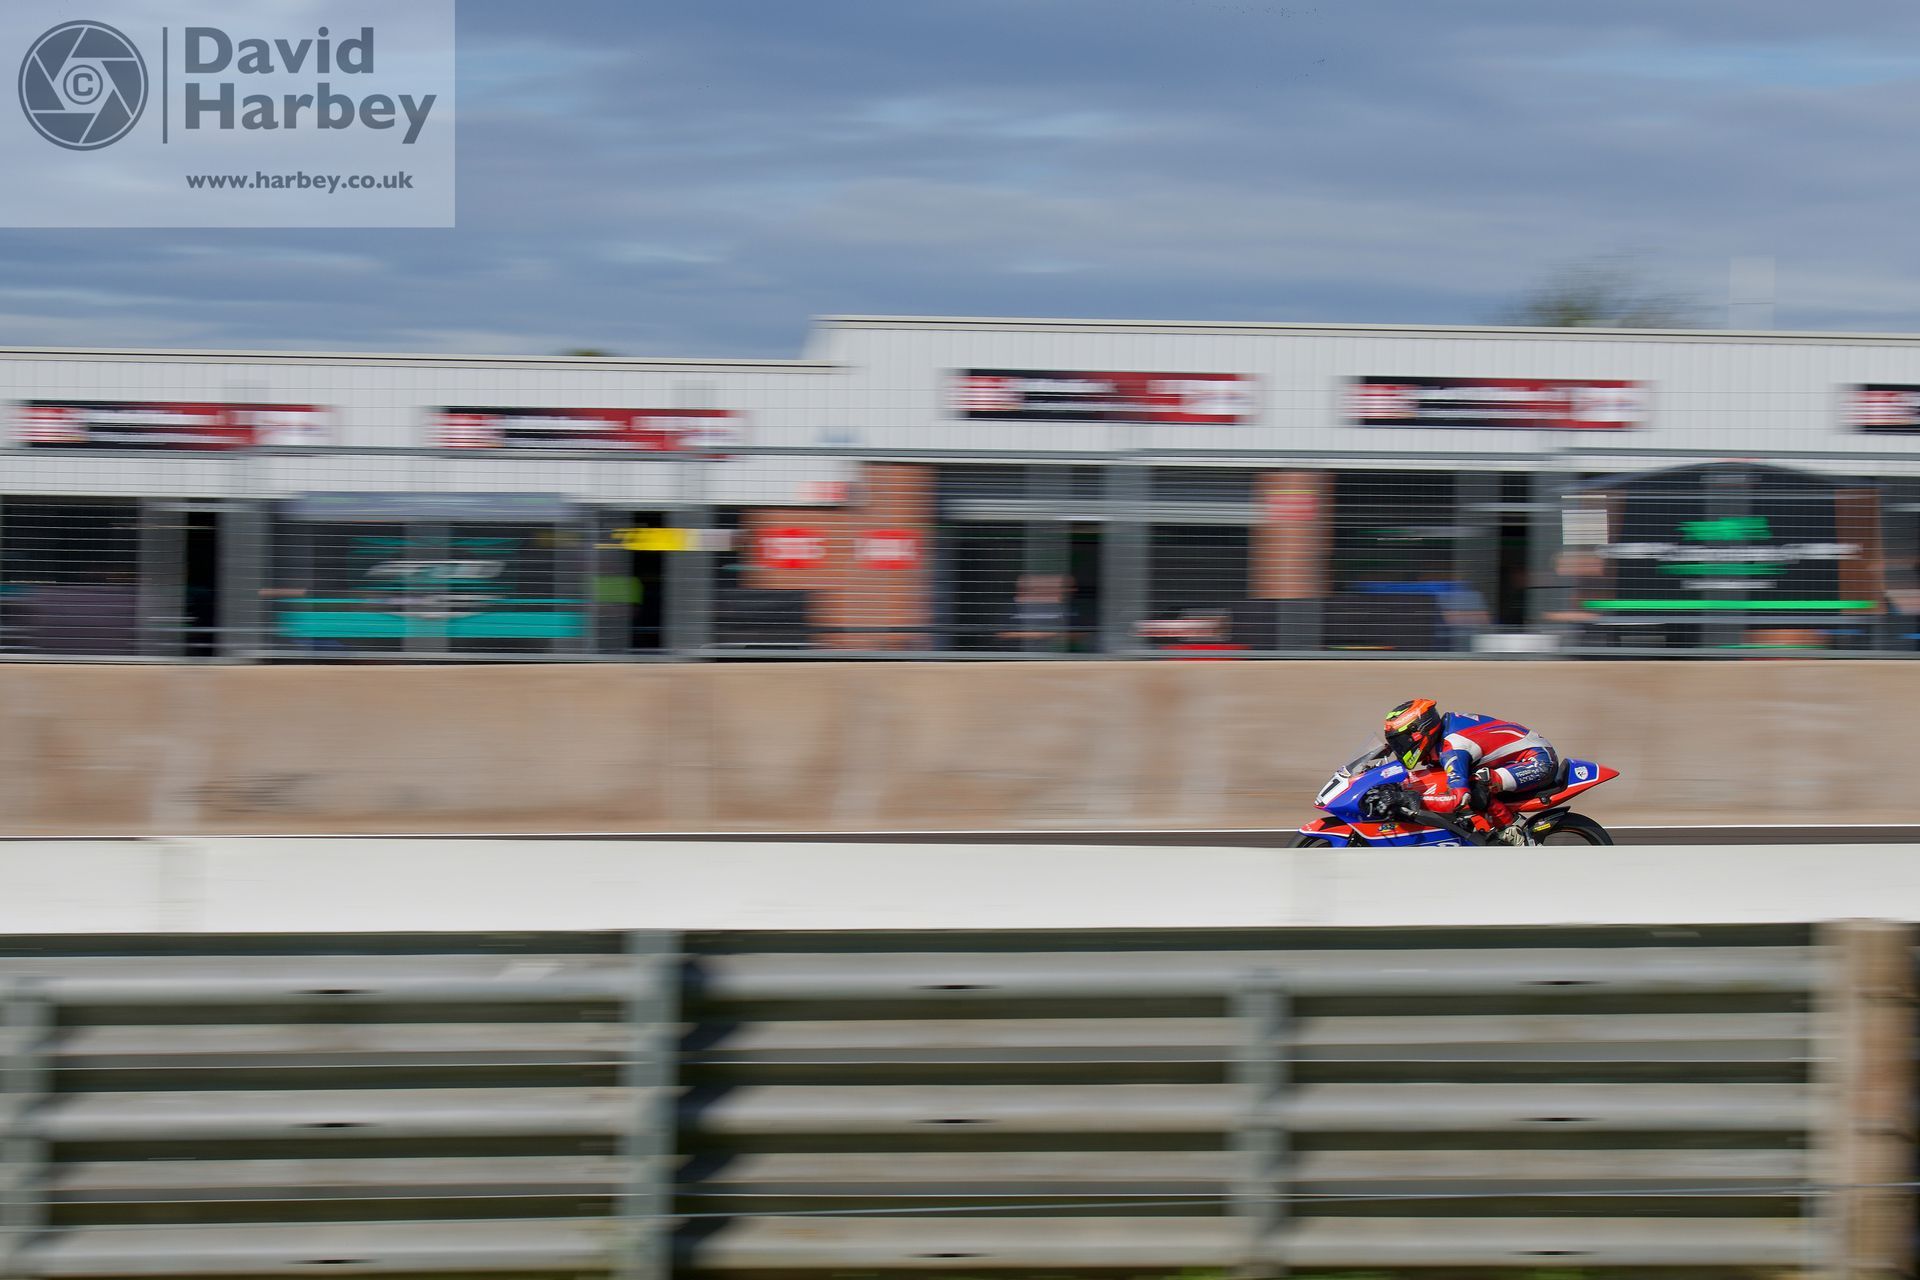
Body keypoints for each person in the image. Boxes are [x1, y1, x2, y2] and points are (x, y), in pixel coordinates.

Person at [1382, 698, 1559, 845]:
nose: (1400, 748)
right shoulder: (1441, 738)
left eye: (1401, 742)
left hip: (1538, 762)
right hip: (1513, 760)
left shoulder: (1453, 747)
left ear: (1419, 731)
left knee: (1476, 786)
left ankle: (1513, 833)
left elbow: (1458, 800)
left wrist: (1409, 799)